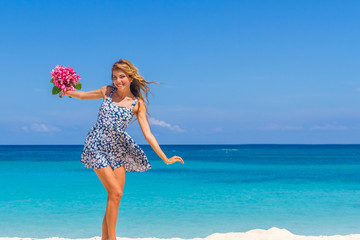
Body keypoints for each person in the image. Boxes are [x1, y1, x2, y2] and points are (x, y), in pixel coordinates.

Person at [63, 59, 184, 240]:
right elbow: (83, 95)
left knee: (115, 198)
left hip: (118, 149)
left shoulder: (137, 104)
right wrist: (63, 90)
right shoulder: (107, 91)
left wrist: (165, 158)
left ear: (130, 78)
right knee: (115, 192)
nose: (117, 81)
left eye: (121, 77)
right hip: (96, 145)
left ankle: (105, 238)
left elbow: (148, 135)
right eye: (114, 77)